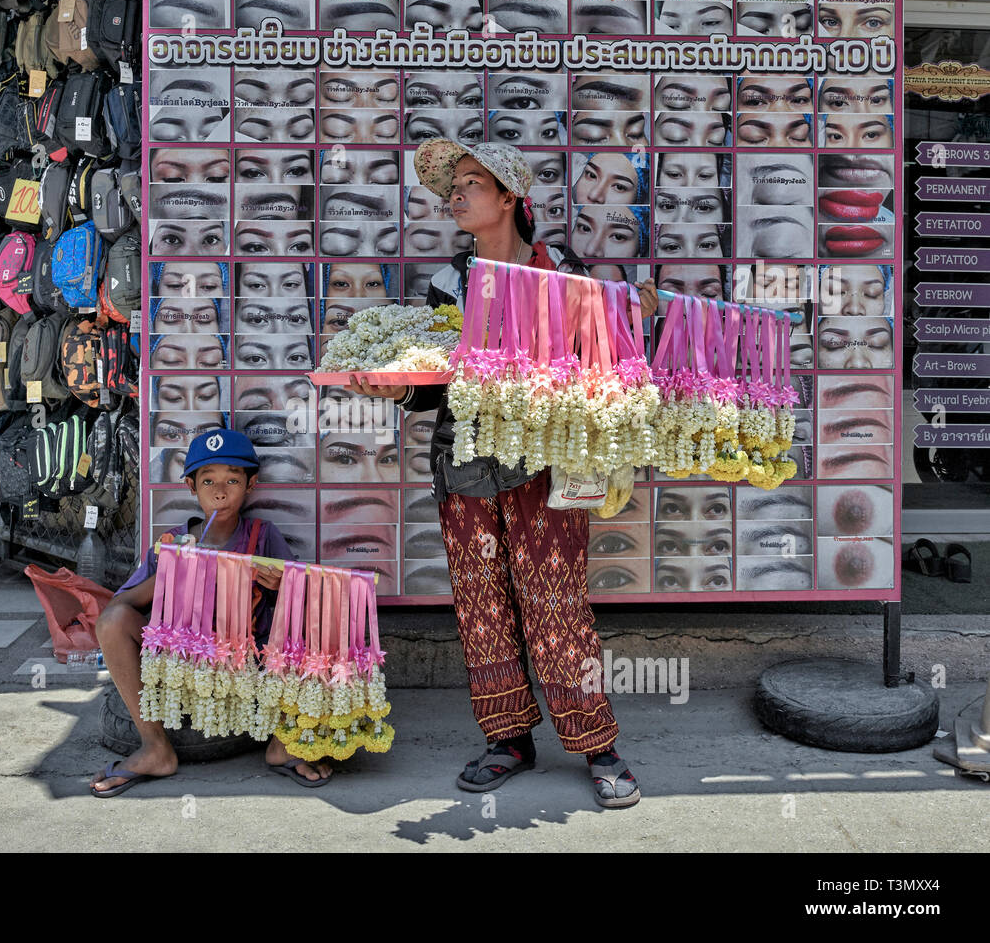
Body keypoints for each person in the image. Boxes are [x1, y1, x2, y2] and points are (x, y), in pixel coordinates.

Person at [349, 140, 657, 809]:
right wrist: (396, 389)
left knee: (557, 601)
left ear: (510, 196)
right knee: (482, 605)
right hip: (464, 463)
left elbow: (599, 355)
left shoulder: (561, 271)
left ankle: (597, 743)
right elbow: (433, 386)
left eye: (470, 183)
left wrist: (634, 314)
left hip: (546, 461)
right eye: (451, 188)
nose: (455, 196)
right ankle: (507, 740)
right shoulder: (446, 282)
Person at [89, 429, 325, 796]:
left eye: (233, 480)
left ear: (251, 484)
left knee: (322, 607)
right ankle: (155, 747)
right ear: (190, 486)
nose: (220, 491)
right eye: (208, 481)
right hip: (183, 667)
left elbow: (301, 602)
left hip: (249, 668)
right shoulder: (171, 542)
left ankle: (282, 744)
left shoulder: (263, 536)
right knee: (113, 621)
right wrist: (173, 573)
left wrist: (282, 586)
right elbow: (119, 607)